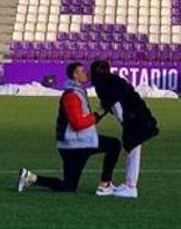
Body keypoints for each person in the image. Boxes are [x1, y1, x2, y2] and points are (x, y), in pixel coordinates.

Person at [17, 62, 121, 195]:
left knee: (68, 186)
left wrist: (101, 112)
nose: (86, 73)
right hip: (77, 144)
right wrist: (98, 114)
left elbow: (86, 122)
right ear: (75, 76)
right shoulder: (72, 95)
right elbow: (78, 123)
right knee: (114, 145)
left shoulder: (76, 92)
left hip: (73, 144)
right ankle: (105, 184)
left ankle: (31, 178)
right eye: (83, 71)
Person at [89, 60, 159, 199]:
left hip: (134, 119)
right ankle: (129, 184)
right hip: (138, 116)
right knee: (133, 149)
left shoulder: (104, 86)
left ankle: (131, 186)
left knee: (133, 149)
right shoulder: (113, 81)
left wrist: (127, 124)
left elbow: (114, 106)